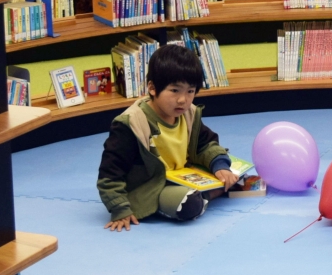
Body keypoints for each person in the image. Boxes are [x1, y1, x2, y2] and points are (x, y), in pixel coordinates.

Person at [97, 45, 236, 231]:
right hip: (150, 187)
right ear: (152, 88)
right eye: (175, 91)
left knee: (233, 173)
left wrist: (220, 166)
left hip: (183, 176)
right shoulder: (131, 124)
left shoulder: (190, 114)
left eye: (190, 91)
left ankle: (216, 188)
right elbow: (110, 173)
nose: (183, 100)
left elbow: (205, 144)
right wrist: (119, 208)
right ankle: (214, 193)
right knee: (189, 205)